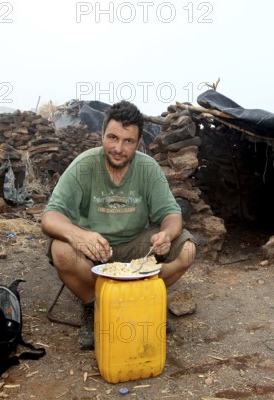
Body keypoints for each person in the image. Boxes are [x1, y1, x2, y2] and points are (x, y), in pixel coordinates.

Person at [41, 100, 196, 350]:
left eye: (128, 141)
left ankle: (140, 302)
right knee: (61, 249)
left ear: (138, 143)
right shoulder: (84, 165)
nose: (118, 148)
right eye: (112, 138)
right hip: (94, 250)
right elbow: (50, 217)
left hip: (137, 246)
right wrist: (78, 235)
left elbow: (171, 213)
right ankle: (95, 306)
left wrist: (166, 234)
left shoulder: (148, 167)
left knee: (187, 249)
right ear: (101, 134)